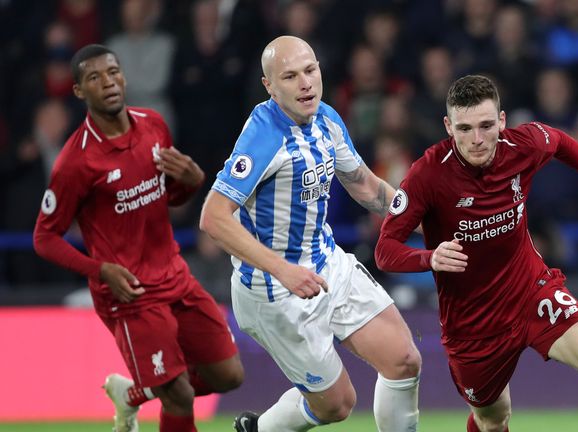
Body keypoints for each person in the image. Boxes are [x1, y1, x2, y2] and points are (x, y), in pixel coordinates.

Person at [375, 75, 578, 432]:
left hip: (531, 291)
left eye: (487, 126)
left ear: (502, 121)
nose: (477, 140)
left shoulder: (522, 145)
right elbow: (384, 250)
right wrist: (430, 258)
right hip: (473, 323)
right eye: (465, 128)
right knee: (492, 419)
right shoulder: (427, 174)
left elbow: (561, 141)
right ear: (448, 127)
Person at [199, 35, 421, 432]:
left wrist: (428, 219)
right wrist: (284, 270)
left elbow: (366, 187)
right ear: (270, 86)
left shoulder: (327, 119)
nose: (305, 83)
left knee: (404, 359)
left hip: (326, 262)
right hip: (274, 290)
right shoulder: (263, 136)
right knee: (337, 405)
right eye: (290, 76)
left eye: (310, 70)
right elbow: (213, 218)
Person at [32, 44, 244, 432]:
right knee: (178, 394)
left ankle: (133, 393)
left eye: (112, 72)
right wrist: (100, 271)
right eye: (94, 78)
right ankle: (157, 389)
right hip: (129, 294)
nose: (107, 82)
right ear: (79, 91)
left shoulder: (153, 124)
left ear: (124, 76)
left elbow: (165, 197)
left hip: (175, 275)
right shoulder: (76, 161)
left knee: (229, 376)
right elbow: (44, 237)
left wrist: (192, 184)